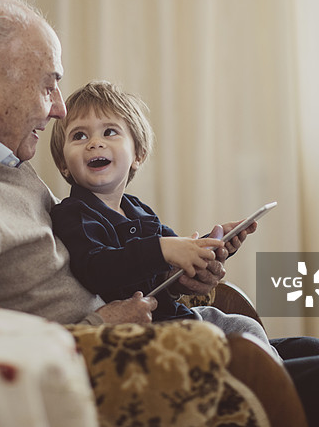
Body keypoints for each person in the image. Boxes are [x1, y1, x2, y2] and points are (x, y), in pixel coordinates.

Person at [0, 0, 319, 427]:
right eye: (48, 84)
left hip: (132, 331)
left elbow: (76, 256)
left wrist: (174, 273)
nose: (57, 107)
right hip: (102, 373)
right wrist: (103, 327)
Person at [49, 80, 276, 355]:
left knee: (248, 327)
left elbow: (168, 267)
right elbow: (98, 268)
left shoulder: (138, 210)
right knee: (247, 345)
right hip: (155, 336)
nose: (95, 143)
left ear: (138, 155)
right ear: (63, 164)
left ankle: (277, 376)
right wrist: (163, 249)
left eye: (110, 132)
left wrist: (208, 248)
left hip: (181, 317)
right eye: (79, 136)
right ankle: (272, 385)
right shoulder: (72, 214)